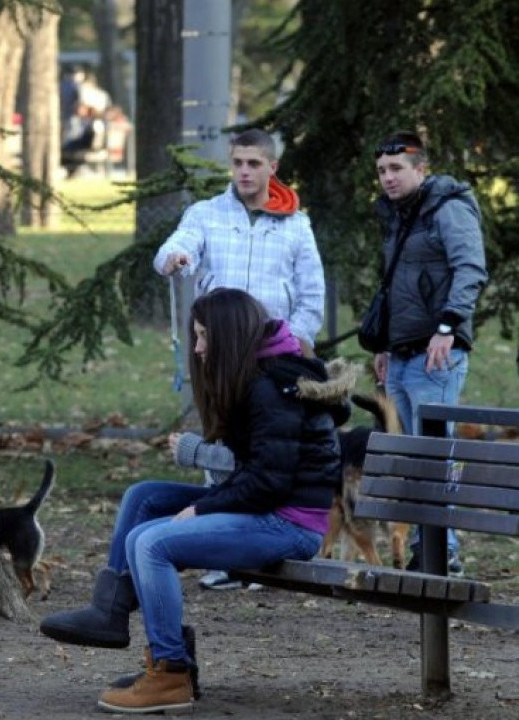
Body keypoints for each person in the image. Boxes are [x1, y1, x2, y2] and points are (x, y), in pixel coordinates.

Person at [39, 288, 353, 714]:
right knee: (146, 498)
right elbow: (258, 473)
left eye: (205, 337)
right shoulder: (264, 374)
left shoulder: (271, 386)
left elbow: (268, 484)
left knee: (152, 542)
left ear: (229, 337)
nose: (200, 349)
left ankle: (170, 672)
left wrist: (203, 508)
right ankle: (110, 611)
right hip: (267, 507)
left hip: (289, 525)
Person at [153, 127, 326, 590]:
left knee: (262, 449)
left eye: (254, 163)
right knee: (223, 443)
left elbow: (312, 296)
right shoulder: (207, 214)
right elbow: (178, 243)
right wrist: (174, 257)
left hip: (270, 359)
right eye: (237, 163)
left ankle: (252, 541)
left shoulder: (295, 224)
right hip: (222, 355)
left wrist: (294, 341)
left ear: (273, 168)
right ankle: (220, 550)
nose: (245, 171)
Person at [369, 131, 487, 576]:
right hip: (401, 354)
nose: (388, 178)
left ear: (421, 168)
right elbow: (396, 286)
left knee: (436, 451)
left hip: (436, 354)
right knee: (416, 456)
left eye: (397, 168)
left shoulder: (448, 208)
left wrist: (447, 328)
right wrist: (384, 343)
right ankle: (427, 546)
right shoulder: (401, 216)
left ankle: (446, 550)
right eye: (382, 171)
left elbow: (470, 267)